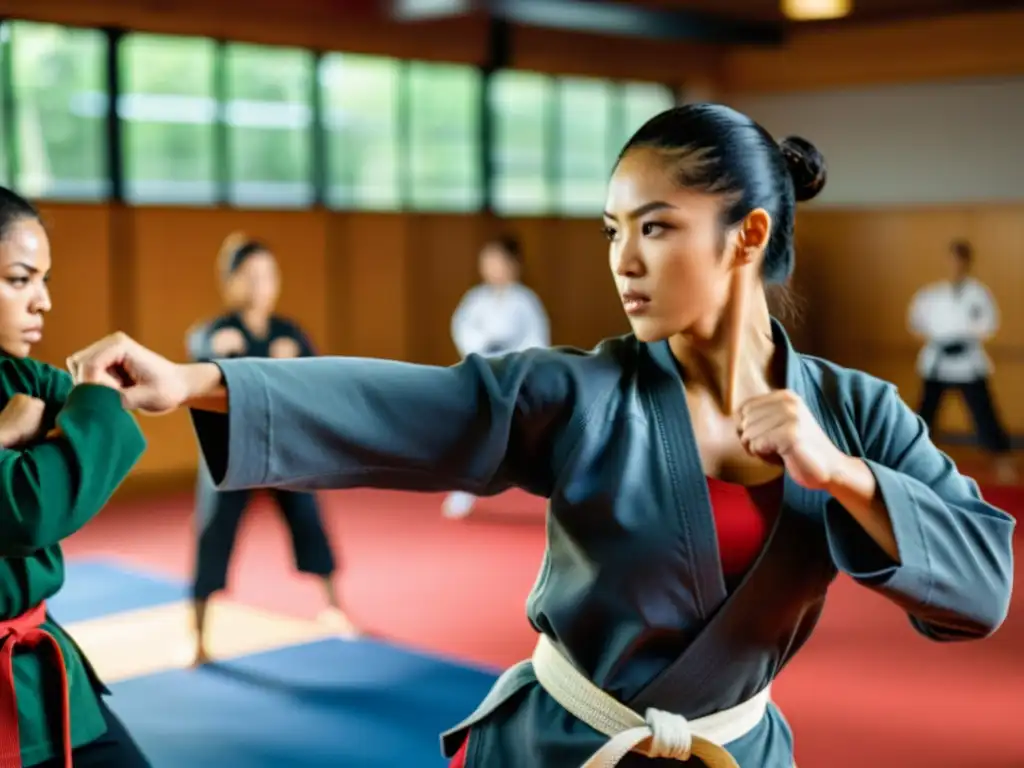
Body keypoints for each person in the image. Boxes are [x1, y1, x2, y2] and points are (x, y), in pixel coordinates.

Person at [65, 104, 1015, 768]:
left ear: (748, 235)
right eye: (612, 231)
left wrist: (842, 476)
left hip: (737, 754)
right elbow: (409, 406)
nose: (623, 262)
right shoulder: (581, 392)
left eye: (654, 227)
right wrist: (199, 381)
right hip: (564, 749)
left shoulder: (855, 416)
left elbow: (982, 587)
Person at [0, 186, 150, 767]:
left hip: (41, 659)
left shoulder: (20, 376)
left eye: (45, 280)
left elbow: (94, 412)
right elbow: (29, 507)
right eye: (20, 280)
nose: (43, 303)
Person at [183, 233, 356, 666]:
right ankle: (199, 636)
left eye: (268, 275)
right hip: (230, 453)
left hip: (282, 451)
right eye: (250, 276)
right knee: (213, 533)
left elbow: (317, 381)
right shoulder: (216, 333)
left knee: (308, 519)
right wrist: (219, 358)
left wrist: (289, 363)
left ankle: (334, 607)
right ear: (232, 282)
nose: (261, 284)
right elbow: (199, 361)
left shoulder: (288, 334)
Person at [443, 235, 550, 519]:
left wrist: (518, 365)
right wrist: (481, 348)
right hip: (483, 373)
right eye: (488, 262)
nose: (493, 268)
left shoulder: (526, 301)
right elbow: (462, 329)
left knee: (523, 442)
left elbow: (536, 341)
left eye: (499, 261)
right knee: (474, 435)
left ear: (514, 265)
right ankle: (463, 490)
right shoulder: (476, 300)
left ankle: (556, 496)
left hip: (515, 377)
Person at [907, 240, 1016, 484]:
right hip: (937, 359)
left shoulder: (979, 293)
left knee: (985, 413)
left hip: (967, 359)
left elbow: (989, 324)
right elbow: (915, 323)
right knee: (926, 412)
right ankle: (914, 461)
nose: (955, 264)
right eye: (952, 258)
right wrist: (940, 339)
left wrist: (963, 338)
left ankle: (1002, 461)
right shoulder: (930, 294)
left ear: (968, 262)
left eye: (960, 259)